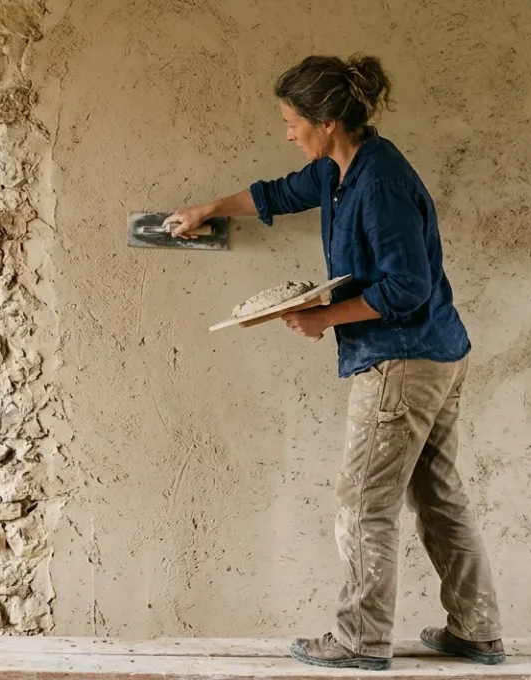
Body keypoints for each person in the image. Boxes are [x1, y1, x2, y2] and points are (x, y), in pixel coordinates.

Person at [166, 55, 505, 671]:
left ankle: (359, 642)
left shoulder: (378, 183)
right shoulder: (339, 170)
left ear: (327, 122)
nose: (286, 132)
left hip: (401, 361)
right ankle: (476, 630)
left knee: (363, 503)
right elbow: (277, 193)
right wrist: (207, 209)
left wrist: (322, 317)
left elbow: (407, 287)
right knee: (438, 498)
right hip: (436, 355)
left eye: (292, 121)